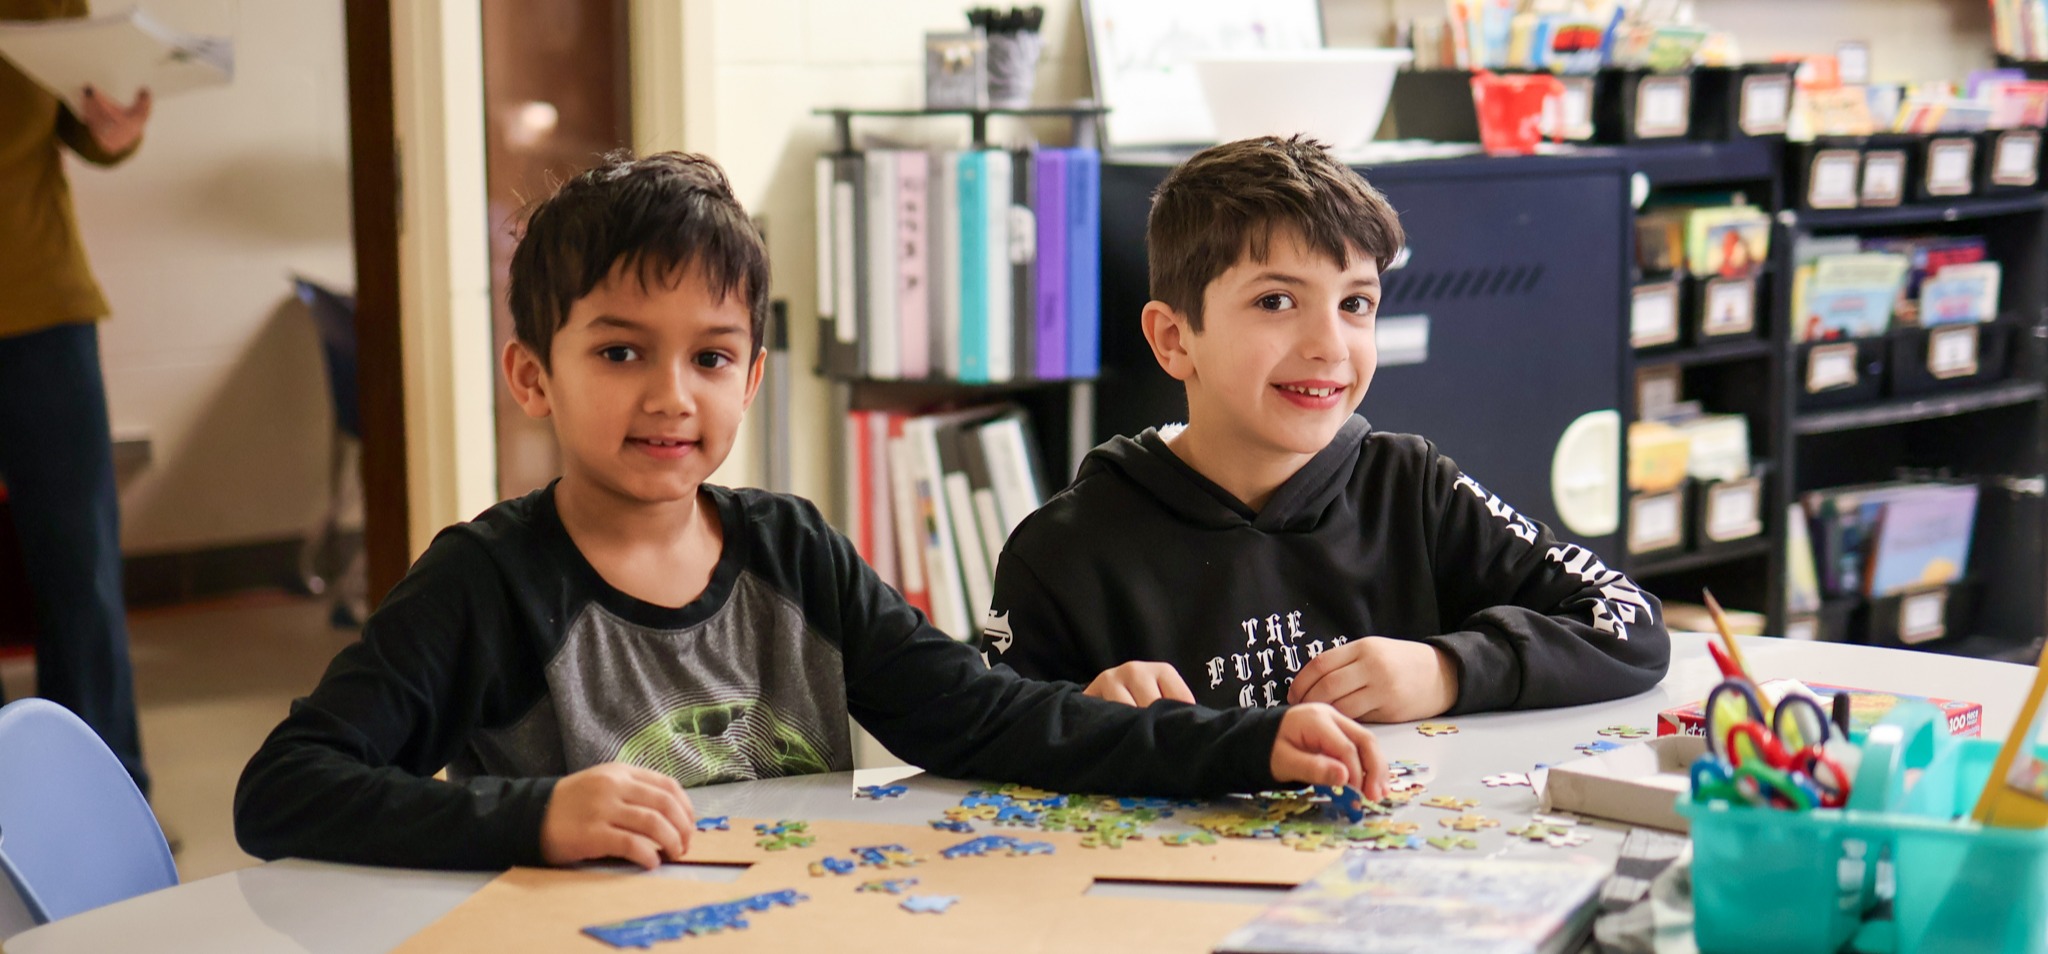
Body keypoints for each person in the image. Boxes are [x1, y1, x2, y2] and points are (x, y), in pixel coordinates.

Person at [233, 152, 1388, 871]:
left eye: (712, 354)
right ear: (532, 375)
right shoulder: (483, 583)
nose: (669, 395)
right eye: (620, 349)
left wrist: (1242, 743)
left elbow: (980, 721)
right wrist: (529, 818)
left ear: (752, 376)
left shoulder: (791, 550)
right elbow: (285, 788)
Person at [980, 135, 1669, 722]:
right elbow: (980, 729)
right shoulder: (1062, 551)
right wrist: (1080, 719)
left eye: (1356, 303)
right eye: (1276, 300)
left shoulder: (1413, 490)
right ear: (1174, 339)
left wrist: (1447, 671)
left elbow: (1627, 621)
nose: (1330, 345)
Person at [0, 0, 155, 795]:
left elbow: (85, 118)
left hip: (40, 308)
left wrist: (113, 127)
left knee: (79, 568)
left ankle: (101, 802)